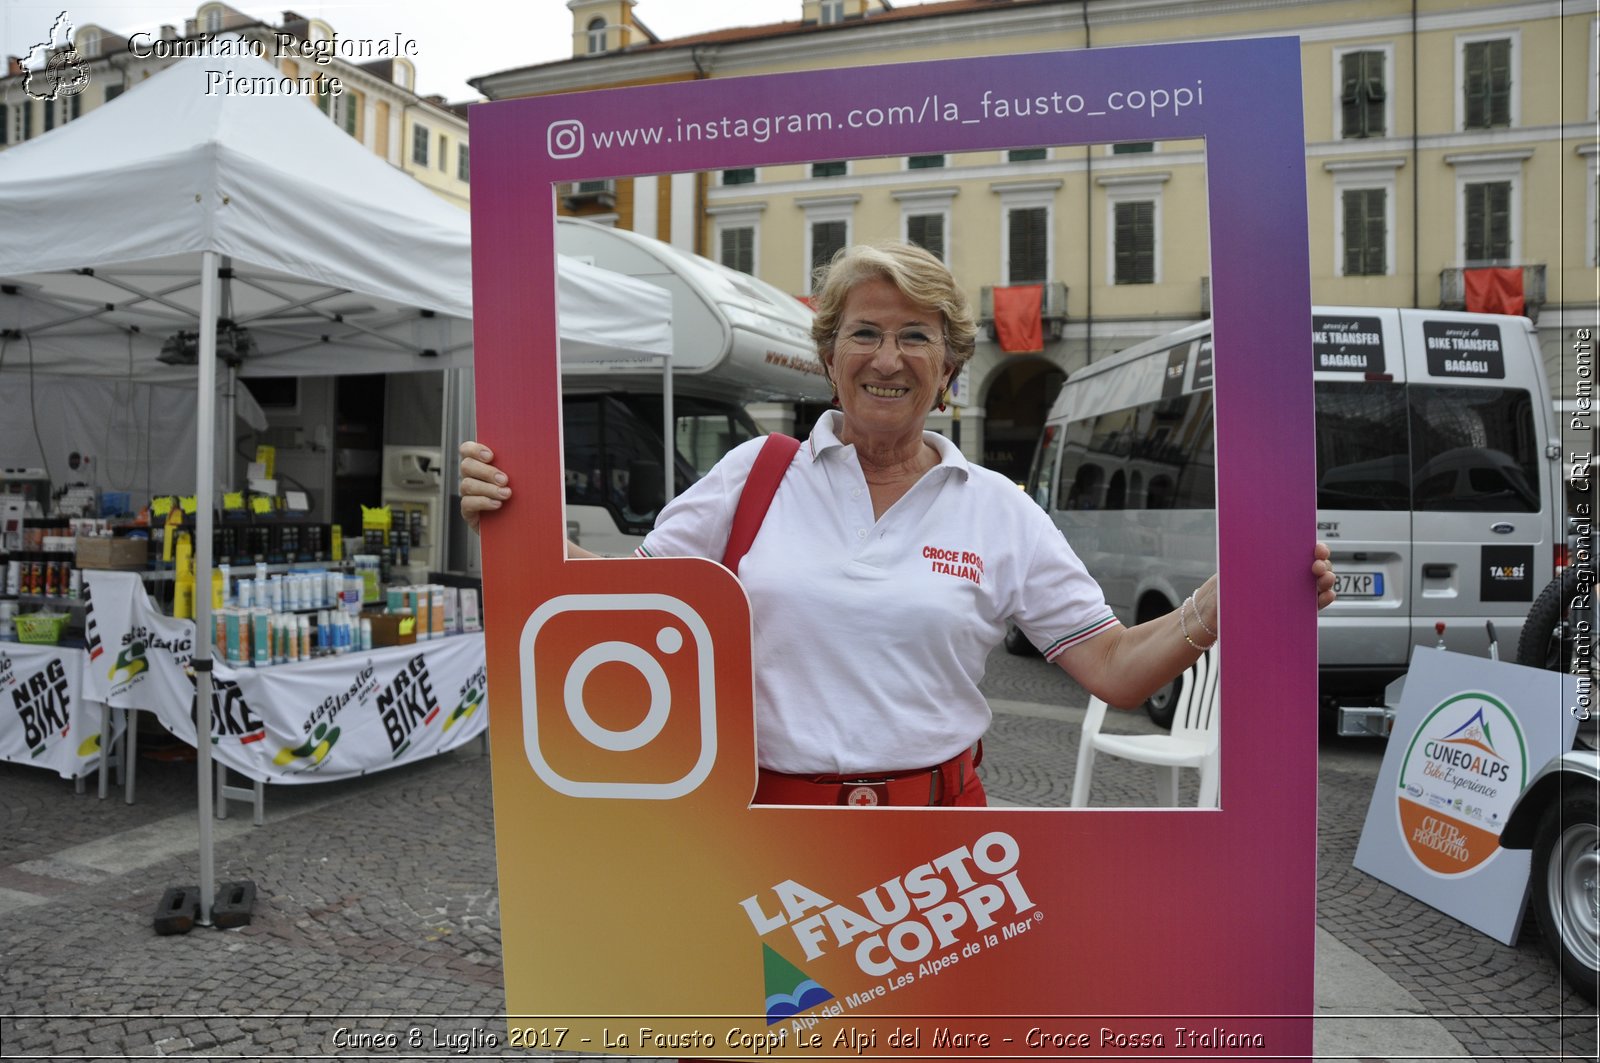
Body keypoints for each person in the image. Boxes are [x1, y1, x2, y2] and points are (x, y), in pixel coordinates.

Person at [461, 242, 1338, 807]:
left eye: (915, 336)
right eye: (864, 333)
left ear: (950, 365)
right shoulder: (753, 474)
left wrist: (1207, 615)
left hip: (936, 850)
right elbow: (614, 608)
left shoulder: (996, 506)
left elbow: (1110, 668)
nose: (888, 358)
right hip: (759, 825)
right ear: (829, 355)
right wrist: (515, 521)